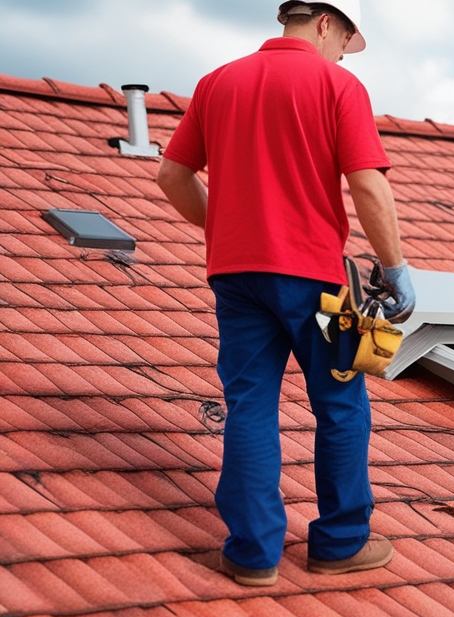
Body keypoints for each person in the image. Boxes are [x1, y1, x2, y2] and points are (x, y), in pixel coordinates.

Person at [156, 0, 414, 586]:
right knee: (340, 402)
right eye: (346, 41)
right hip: (314, 277)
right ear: (327, 23)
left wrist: (226, 229)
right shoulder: (337, 85)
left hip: (236, 276)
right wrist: (396, 266)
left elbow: (171, 175)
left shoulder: (216, 83)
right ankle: (341, 543)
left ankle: (252, 556)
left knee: (249, 405)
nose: (345, 53)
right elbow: (368, 187)